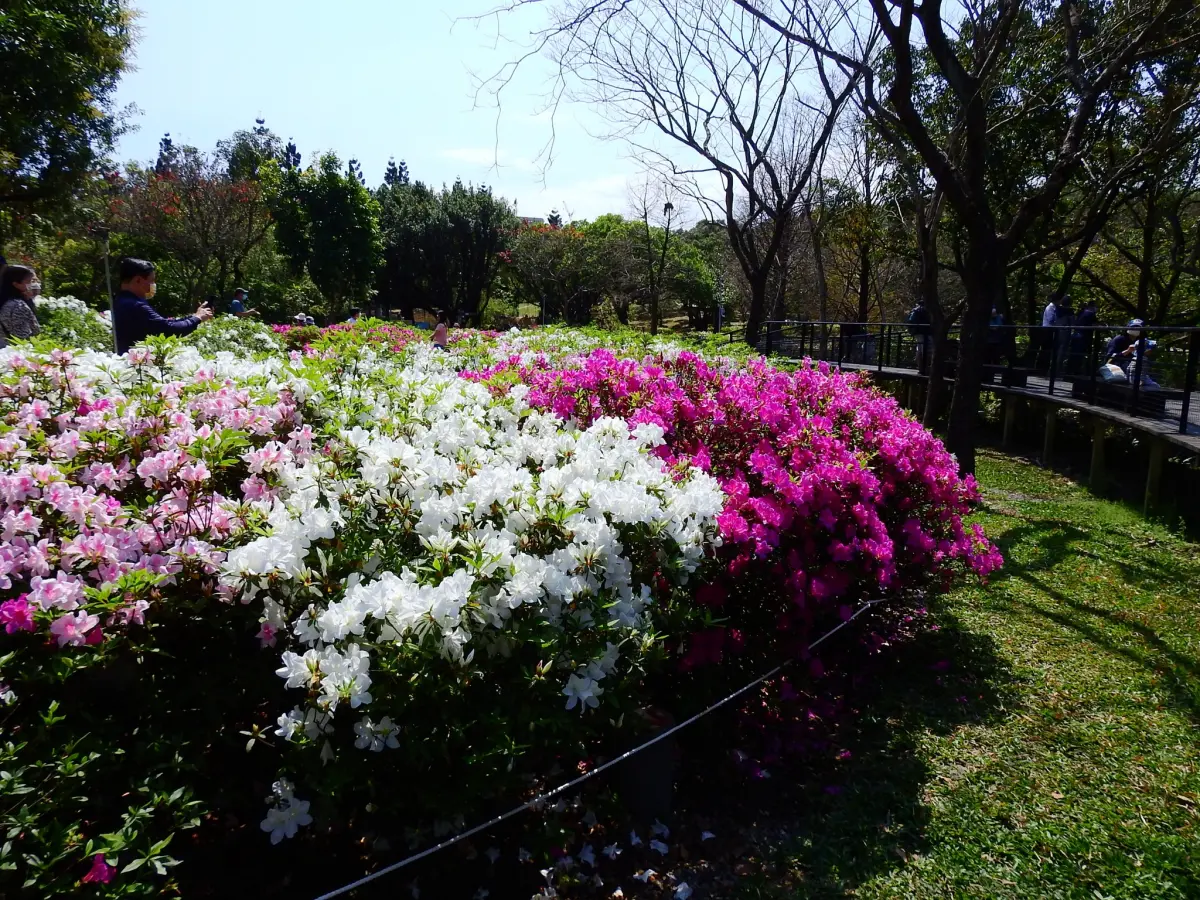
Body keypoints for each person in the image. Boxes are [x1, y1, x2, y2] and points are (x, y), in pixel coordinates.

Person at [113, 258, 212, 354]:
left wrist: (195, 316)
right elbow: (168, 329)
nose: (153, 285)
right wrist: (197, 318)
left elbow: (163, 323)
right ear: (138, 280)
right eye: (151, 281)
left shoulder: (121, 301)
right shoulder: (135, 306)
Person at [1105, 319, 1158, 387]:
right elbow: (1109, 359)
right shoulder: (1118, 339)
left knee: (1154, 385)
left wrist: (1146, 352)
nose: (1135, 330)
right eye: (1133, 327)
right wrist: (1128, 351)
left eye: (1138, 328)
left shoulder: (1141, 341)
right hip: (1119, 368)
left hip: (1136, 367)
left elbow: (1140, 356)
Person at [0, 265, 41, 347]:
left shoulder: (5, 302)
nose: (32, 285)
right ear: (16, 284)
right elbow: (23, 338)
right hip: (18, 355)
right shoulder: (18, 306)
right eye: (30, 281)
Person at [906, 299, 932, 371]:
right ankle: (924, 368)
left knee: (920, 349)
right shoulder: (924, 310)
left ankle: (921, 368)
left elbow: (910, 321)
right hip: (925, 332)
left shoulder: (915, 310)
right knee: (926, 350)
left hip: (918, 332)